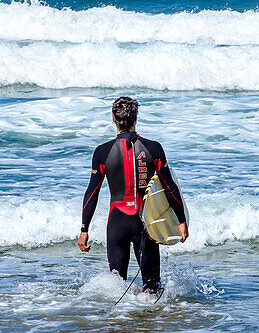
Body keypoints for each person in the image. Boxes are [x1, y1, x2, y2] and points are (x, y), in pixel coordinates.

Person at [78, 96, 189, 295]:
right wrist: (181, 220)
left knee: (116, 288)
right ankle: (149, 322)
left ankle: (122, 322)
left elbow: (92, 192)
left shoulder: (102, 152)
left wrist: (84, 228)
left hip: (116, 223)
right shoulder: (153, 148)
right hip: (145, 224)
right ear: (136, 119)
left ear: (113, 118)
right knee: (153, 288)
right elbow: (170, 187)